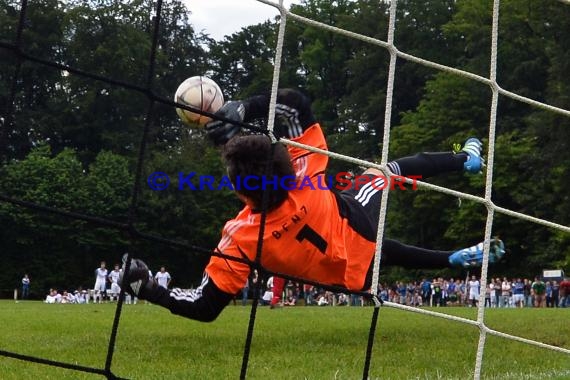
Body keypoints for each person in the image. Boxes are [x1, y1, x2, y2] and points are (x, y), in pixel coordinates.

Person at [120, 88, 505, 322]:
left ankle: (452, 257)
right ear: (285, 161)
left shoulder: (239, 237)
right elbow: (296, 104)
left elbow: (205, 306)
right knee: (385, 171)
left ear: (238, 188)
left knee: (382, 254)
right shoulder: (303, 176)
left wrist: (148, 287)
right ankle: (465, 160)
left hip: (342, 280)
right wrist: (245, 109)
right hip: (351, 228)